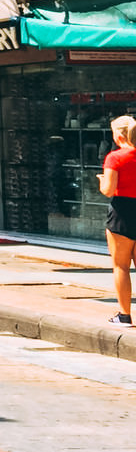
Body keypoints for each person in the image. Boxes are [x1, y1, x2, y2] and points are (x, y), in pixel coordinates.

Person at [97, 114, 136, 326]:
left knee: (121, 265)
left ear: (118, 135)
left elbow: (108, 189)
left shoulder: (115, 157)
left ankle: (124, 315)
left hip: (122, 211)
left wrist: (102, 180)